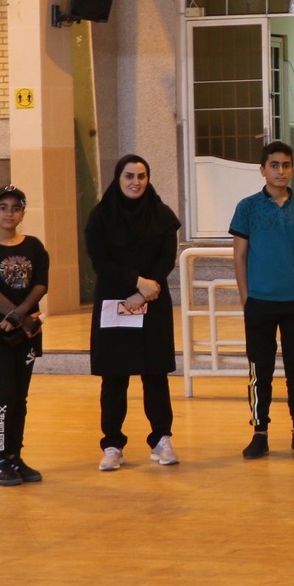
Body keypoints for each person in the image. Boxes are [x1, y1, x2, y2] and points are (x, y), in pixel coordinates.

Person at [230, 141, 294, 459]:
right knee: (261, 370)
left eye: (286, 165)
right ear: (262, 170)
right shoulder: (247, 207)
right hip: (260, 302)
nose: (280, 171)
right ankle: (260, 433)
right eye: (274, 165)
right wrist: (246, 299)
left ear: (292, 169)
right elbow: (239, 255)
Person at [88, 154, 181, 472]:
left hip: (153, 301)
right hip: (115, 301)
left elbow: (166, 259)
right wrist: (135, 282)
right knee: (114, 376)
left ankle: (161, 440)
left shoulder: (162, 216)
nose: (136, 182)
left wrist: (143, 292)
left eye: (141, 176)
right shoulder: (100, 217)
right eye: (129, 176)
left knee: (155, 374)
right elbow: (100, 262)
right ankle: (112, 444)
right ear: (118, 178)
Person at [0, 185, 48, 486]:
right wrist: (15, 316)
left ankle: (15, 456)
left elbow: (40, 285)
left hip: (26, 334)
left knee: (20, 396)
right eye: (3, 207)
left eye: (15, 208)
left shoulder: (34, 246)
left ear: (22, 213)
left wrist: (21, 318)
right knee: (3, 395)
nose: (9, 213)